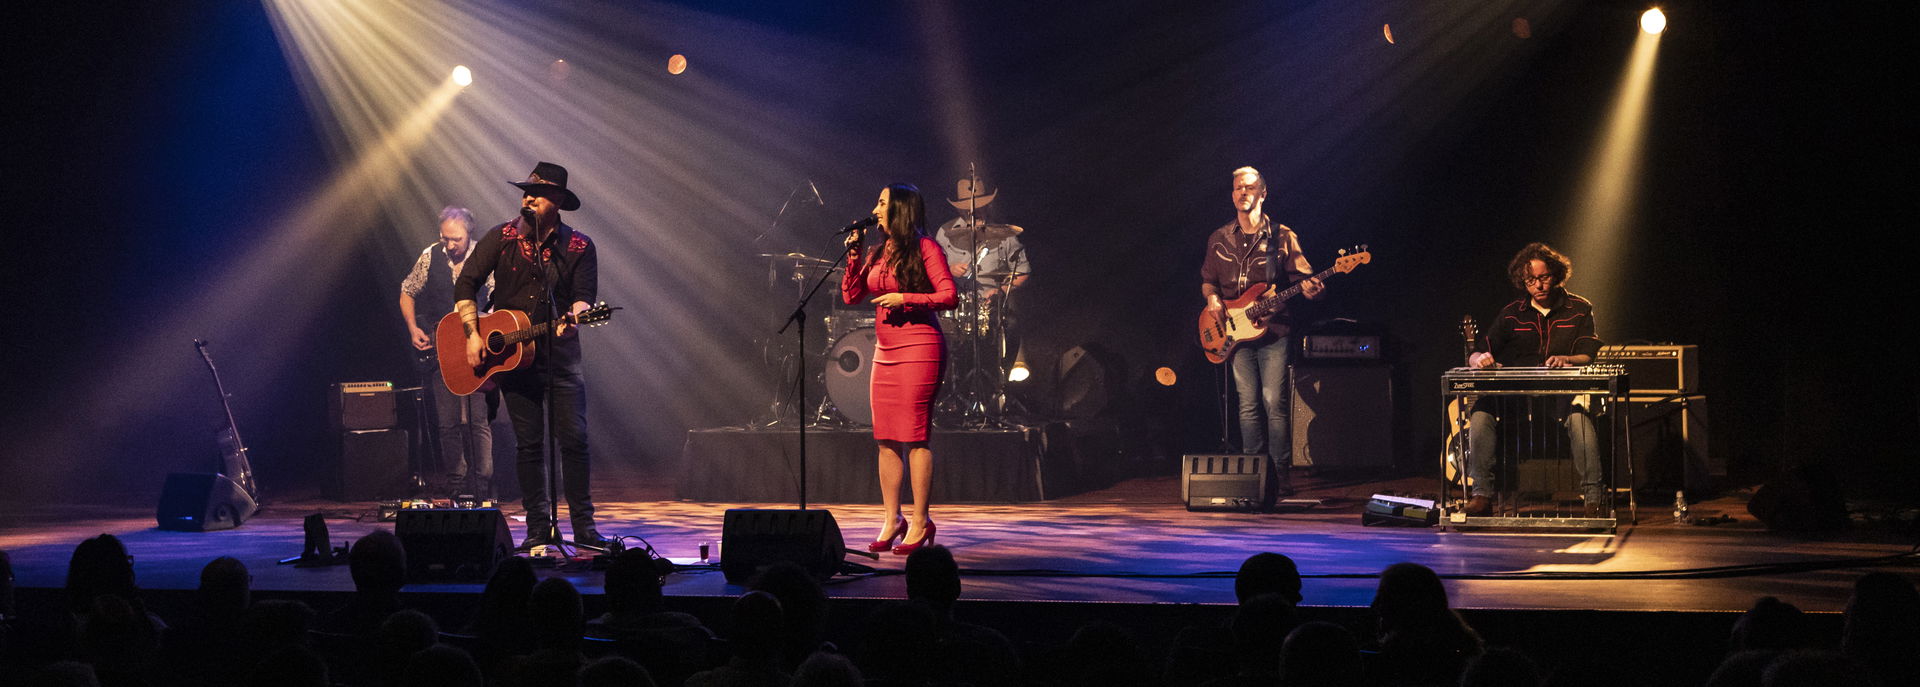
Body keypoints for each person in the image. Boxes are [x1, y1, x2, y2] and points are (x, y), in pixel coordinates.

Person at [454, 162, 607, 551]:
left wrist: (575, 317)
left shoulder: (578, 246)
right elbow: (466, 283)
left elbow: (583, 296)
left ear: (556, 202)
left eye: (536, 194)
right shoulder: (501, 237)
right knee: (529, 445)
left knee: (574, 440)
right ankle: (537, 528)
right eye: (525, 192)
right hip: (514, 363)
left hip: (561, 359)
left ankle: (585, 529)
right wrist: (473, 335)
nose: (527, 197)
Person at [841, 183, 957, 555]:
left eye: (882, 203)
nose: (875, 209)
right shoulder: (877, 251)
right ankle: (892, 518)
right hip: (885, 352)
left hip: (920, 347)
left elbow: (948, 295)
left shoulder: (926, 248)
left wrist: (905, 298)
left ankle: (921, 521)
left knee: (915, 436)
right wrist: (855, 255)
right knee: (886, 437)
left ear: (901, 210)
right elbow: (851, 295)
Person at [1199, 166, 1323, 500]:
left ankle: (1280, 476)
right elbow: (1209, 279)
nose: (1243, 193)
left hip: (1274, 332)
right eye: (1238, 188)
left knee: (1274, 402)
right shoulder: (1219, 238)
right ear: (1233, 194)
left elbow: (1304, 278)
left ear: (1263, 193)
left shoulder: (1282, 236)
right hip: (1234, 332)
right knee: (1248, 405)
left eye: (1250, 188)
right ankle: (1254, 474)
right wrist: (1212, 299)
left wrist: (1311, 289)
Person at [1461, 242, 1604, 516]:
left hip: (1561, 394)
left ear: (1556, 274)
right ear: (1522, 282)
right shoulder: (1512, 313)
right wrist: (1478, 359)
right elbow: (1479, 349)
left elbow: (1588, 354)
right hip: (1517, 396)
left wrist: (1567, 360)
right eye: (1530, 280)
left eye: (1544, 277)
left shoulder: (1579, 308)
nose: (1538, 285)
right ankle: (1481, 495)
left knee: (1580, 417)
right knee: (1480, 413)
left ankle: (1593, 499)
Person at [400, 205, 495, 497]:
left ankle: (482, 484)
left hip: (475, 346)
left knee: (477, 420)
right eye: (446, 239)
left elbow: (496, 296)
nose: (451, 245)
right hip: (441, 347)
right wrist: (413, 328)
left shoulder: (485, 256)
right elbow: (407, 291)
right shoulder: (431, 255)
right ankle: (456, 483)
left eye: (457, 239)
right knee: (447, 422)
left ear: (470, 234)